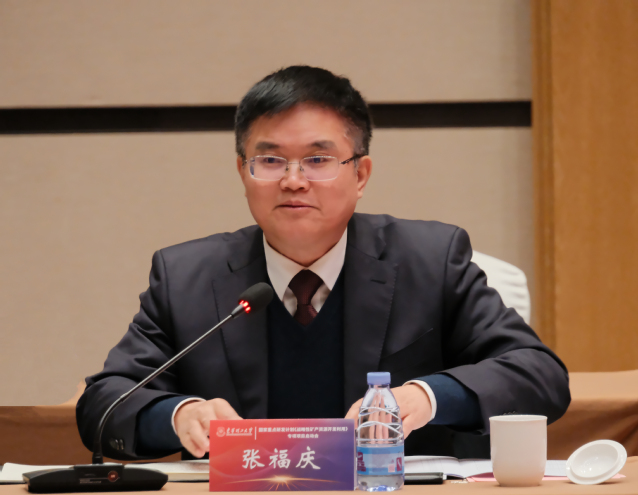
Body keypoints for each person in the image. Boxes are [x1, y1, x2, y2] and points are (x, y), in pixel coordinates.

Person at [76, 66, 570, 461]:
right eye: (271, 161)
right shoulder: (187, 276)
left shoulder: (429, 261)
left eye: (317, 160)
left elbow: (538, 374)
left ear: (361, 175)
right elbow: (103, 402)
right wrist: (178, 414)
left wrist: (425, 397)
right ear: (243, 171)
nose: (293, 180)